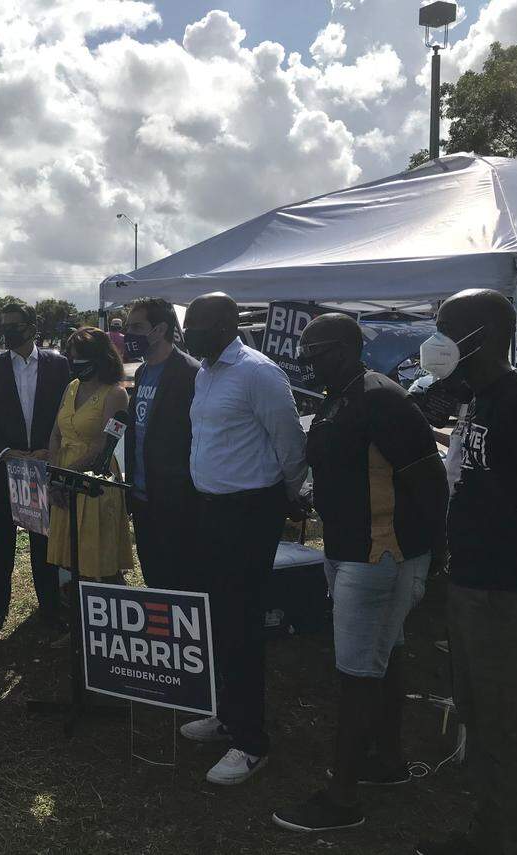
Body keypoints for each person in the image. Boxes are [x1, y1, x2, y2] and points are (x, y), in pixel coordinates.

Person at [414, 290, 517, 855]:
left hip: (511, 592)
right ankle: (490, 833)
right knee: (478, 719)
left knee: (508, 730)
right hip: (474, 584)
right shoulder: (478, 396)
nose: (435, 339)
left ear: (480, 336)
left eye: (446, 327)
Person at [271, 314, 448, 833]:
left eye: (317, 352)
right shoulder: (339, 395)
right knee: (383, 658)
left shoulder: (382, 399)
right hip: (349, 550)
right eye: (304, 354)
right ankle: (386, 761)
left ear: (348, 348)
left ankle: (342, 798)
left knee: (355, 675)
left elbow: (428, 481)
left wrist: (433, 554)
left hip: (380, 556)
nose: (308, 362)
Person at [176, 292, 307, 786]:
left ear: (228, 325)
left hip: (249, 511)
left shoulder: (258, 372)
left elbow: (290, 442)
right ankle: (228, 715)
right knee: (219, 618)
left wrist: (287, 497)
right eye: (190, 324)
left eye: (201, 324)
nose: (191, 333)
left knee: (241, 625)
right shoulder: (206, 372)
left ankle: (251, 743)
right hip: (211, 509)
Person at [0, 304, 70, 638]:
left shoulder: (58, 365)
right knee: (1, 543)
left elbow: (65, 412)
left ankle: (50, 610)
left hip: (44, 467)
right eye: (4, 326)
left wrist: (50, 449)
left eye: (14, 325)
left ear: (32, 327)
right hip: (5, 468)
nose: (8, 331)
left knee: (45, 546)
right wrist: (5, 451)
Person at [122, 297, 200, 590]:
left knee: (179, 578)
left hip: (176, 499)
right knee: (153, 574)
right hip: (143, 496)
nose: (129, 334)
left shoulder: (189, 373)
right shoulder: (141, 372)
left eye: (137, 326)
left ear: (159, 330)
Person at [46, 327, 133, 582]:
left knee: (99, 553)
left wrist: (66, 476)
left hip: (95, 479)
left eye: (79, 358)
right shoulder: (71, 387)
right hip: (63, 476)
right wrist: (54, 477)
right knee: (72, 553)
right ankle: (77, 607)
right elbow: (55, 434)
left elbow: (103, 445)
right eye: (71, 357)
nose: (74, 363)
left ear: (99, 358)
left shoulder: (116, 394)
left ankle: (109, 607)